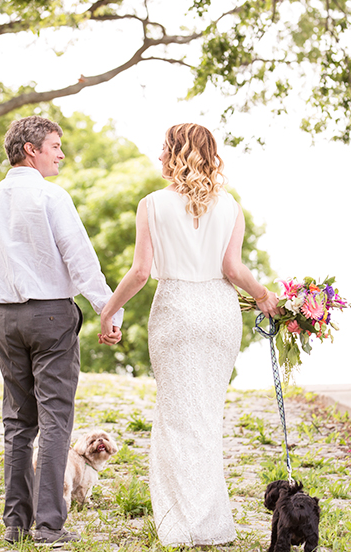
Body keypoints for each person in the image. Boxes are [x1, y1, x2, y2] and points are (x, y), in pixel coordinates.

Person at [98, 123, 280, 546]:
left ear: (177, 154)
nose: (159, 156)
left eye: (164, 149)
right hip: (218, 312)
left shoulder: (151, 205)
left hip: (176, 310)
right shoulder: (230, 206)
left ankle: (182, 522)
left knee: (178, 416)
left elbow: (141, 272)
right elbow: (233, 270)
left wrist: (110, 310)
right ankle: (211, 523)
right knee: (206, 416)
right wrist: (264, 295)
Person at [0, 115, 123, 546]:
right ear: (30, 149)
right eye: (54, 145)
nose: (61, 152)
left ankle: (15, 524)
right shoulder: (51, 197)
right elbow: (81, 260)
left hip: (6, 318)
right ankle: (49, 526)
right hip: (53, 315)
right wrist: (108, 311)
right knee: (56, 420)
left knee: (18, 424)